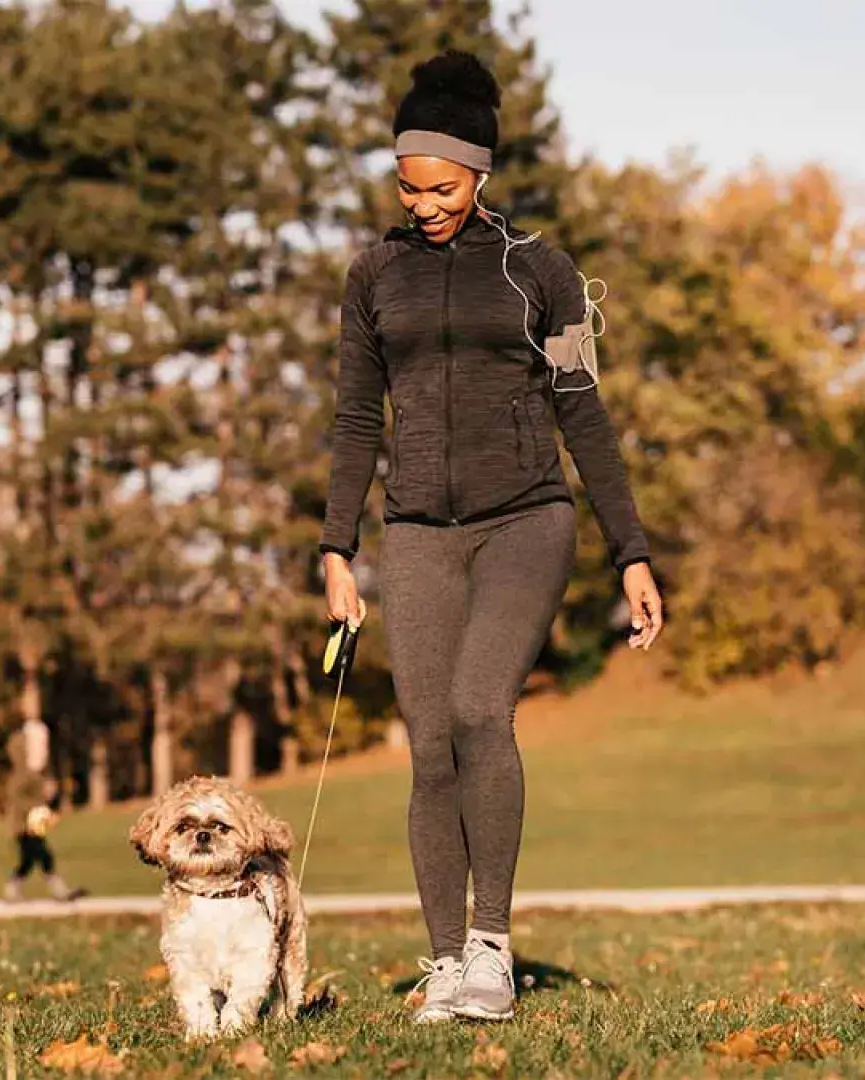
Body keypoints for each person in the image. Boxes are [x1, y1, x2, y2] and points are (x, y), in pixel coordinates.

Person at [316, 50, 662, 1025]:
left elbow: (583, 411)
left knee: (478, 709)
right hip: (417, 530)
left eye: (440, 185)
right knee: (429, 748)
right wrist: (334, 548)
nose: (421, 202)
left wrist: (632, 548)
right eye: (406, 184)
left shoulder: (545, 275)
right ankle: (442, 966)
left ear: (480, 174)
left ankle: (492, 949)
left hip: (526, 522)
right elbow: (354, 419)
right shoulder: (372, 277)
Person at [1, 716, 82, 902]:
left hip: (32, 824)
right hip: (22, 825)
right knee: (44, 856)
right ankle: (59, 891)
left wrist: (47, 795)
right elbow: (16, 797)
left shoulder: (36, 773)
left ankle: (12, 890)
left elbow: (35, 796)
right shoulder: (22, 773)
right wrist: (38, 808)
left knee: (29, 860)